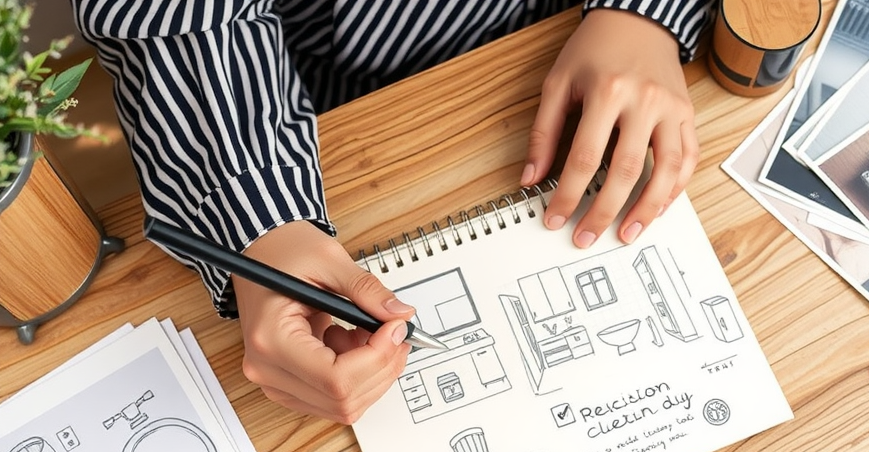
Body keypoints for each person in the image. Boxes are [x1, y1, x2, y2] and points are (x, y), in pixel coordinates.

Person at [72, 0, 713, 424]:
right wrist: (262, 219)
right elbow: (170, 22)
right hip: (316, 91)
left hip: (594, 40)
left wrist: (649, 15)